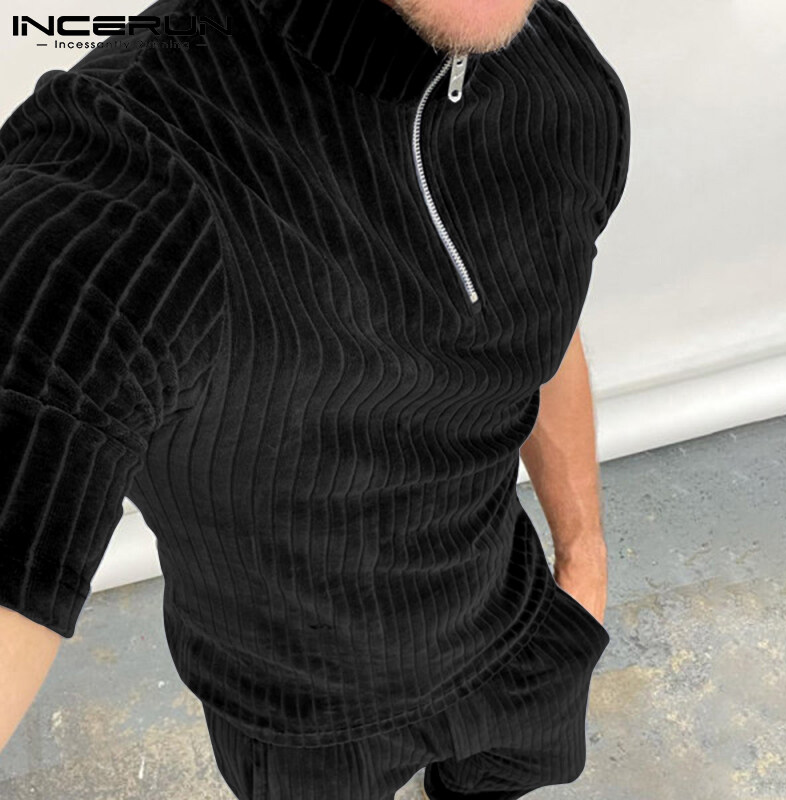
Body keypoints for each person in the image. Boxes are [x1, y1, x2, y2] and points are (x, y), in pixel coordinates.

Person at [0, 0, 630, 797]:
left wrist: (583, 558)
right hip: (296, 724)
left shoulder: (564, 83)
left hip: (519, 638)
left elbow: (542, 323)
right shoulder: (127, 176)